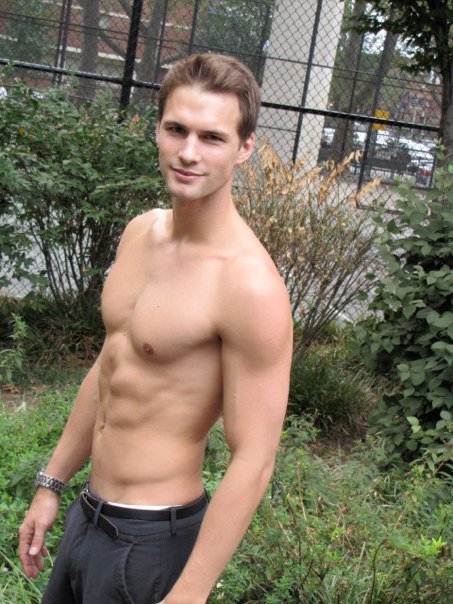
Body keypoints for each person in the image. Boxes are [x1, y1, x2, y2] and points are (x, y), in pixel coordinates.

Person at [18, 53, 293, 604]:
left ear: (244, 148)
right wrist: (52, 483)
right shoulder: (140, 233)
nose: (189, 152)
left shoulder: (248, 285)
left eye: (212, 138)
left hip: (150, 545)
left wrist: (191, 592)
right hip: (86, 519)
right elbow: (111, 366)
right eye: (177, 129)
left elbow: (254, 460)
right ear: (158, 130)